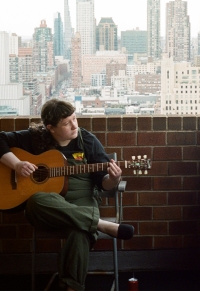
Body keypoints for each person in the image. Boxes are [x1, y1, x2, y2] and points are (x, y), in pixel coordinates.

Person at [0, 99, 134, 291]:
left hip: (82, 202)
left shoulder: (87, 140)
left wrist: (113, 179)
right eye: (66, 123)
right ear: (50, 128)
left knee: (80, 231)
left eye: (74, 118)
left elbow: (104, 182)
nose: (74, 125)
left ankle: (72, 288)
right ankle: (100, 224)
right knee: (37, 200)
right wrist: (17, 164)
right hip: (48, 208)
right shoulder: (35, 137)